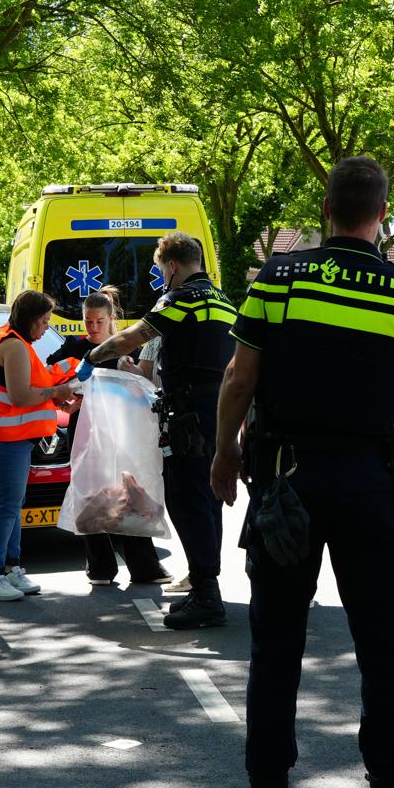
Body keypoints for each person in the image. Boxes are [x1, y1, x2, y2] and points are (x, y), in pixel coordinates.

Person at [212, 156, 394, 788]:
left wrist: (225, 454)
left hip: (286, 482)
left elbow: (239, 376)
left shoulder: (278, 278)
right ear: (382, 213)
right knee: (383, 650)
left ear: (325, 208)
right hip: (368, 486)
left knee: (275, 649)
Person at [82, 232, 237, 629]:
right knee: (209, 498)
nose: (161, 277)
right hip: (220, 410)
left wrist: (91, 356)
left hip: (187, 413)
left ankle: (206, 593)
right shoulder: (225, 303)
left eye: (159, 270)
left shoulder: (178, 299)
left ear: (171, 266)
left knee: (187, 500)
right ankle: (208, 581)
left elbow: (134, 337)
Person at [55, 287, 174, 588]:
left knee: (129, 494)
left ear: (111, 320)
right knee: (89, 494)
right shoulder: (73, 347)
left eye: (99, 321)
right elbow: (50, 379)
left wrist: (134, 373)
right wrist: (66, 392)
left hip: (119, 433)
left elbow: (146, 392)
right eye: (87, 321)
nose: (92, 328)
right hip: (84, 431)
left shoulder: (126, 352)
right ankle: (99, 567)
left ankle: (143, 565)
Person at [0, 290, 83, 602]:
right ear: (31, 319)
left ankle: (10, 568)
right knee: (6, 504)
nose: (47, 327)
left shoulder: (14, 341)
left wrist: (56, 393)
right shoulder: (15, 346)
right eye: (44, 321)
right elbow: (21, 396)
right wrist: (57, 390)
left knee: (10, 504)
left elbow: (30, 389)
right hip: (1, 437)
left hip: (6, 437)